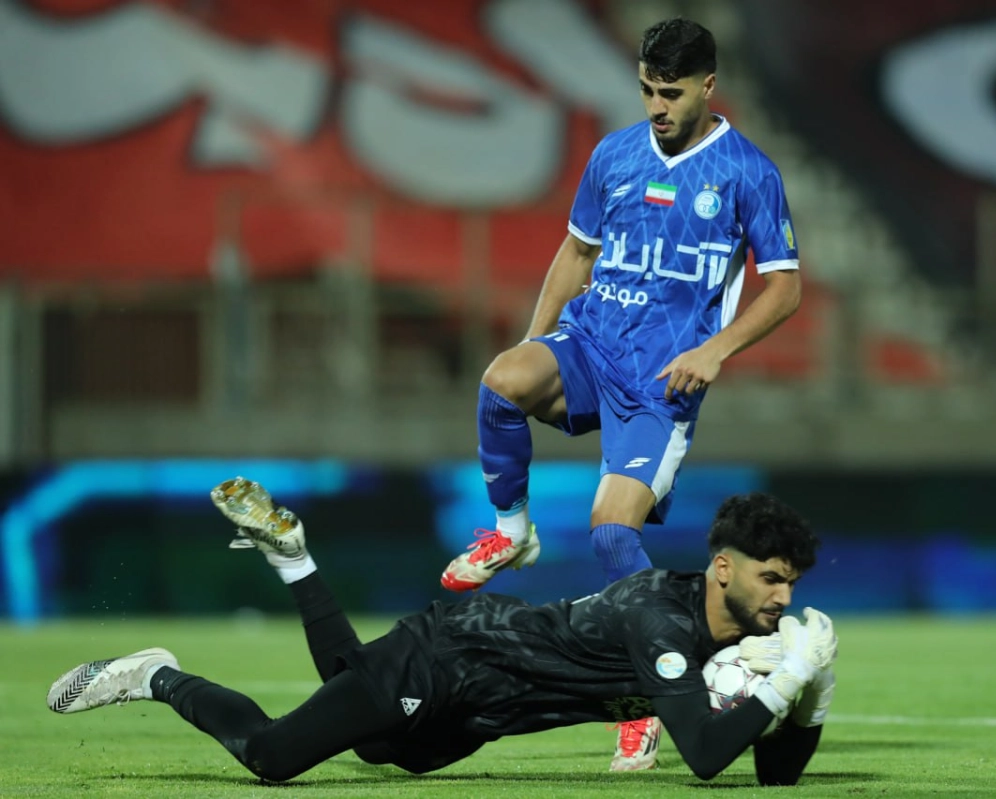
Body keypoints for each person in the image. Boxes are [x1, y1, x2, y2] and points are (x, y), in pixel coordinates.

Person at [438, 16, 804, 769]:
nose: (656, 106)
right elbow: (577, 253)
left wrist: (715, 349)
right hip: (592, 345)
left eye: (671, 93)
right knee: (502, 381)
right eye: (646, 90)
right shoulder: (615, 153)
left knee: (611, 533)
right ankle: (512, 530)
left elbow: (785, 288)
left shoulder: (747, 172)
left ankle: (645, 697)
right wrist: (536, 343)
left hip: (661, 386)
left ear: (708, 85)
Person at [48, 478, 837, 786]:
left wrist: (812, 699)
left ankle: (292, 559)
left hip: (474, 714)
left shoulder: (727, 630)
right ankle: (156, 674)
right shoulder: (660, 618)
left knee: (373, 740)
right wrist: (787, 679)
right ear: (724, 568)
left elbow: (774, 777)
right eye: (772, 577)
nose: (784, 596)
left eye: (792, 582)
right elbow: (705, 755)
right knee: (274, 757)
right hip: (445, 658)